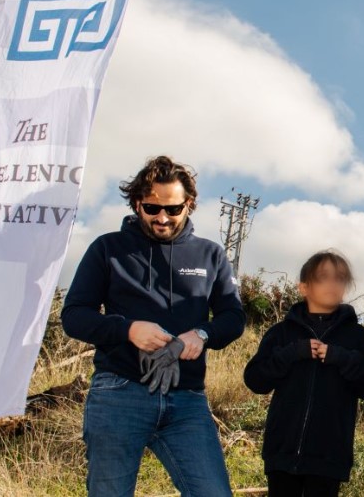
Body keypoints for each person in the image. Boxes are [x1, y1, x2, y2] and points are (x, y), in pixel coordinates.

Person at [61, 156, 246, 497]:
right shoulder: (107, 249)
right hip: (119, 394)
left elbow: (233, 318)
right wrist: (128, 330)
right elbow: (74, 316)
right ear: (137, 203)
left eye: (173, 209)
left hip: (187, 400)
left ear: (189, 205)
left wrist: (202, 334)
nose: (162, 218)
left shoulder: (211, 255)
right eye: (152, 208)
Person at [243, 250, 364, 496]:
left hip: (329, 458)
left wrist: (340, 357)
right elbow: (255, 380)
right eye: (322, 277)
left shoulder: (359, 338)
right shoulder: (281, 333)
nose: (332, 284)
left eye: (339, 278)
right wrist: (291, 353)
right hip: (281, 455)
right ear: (304, 288)